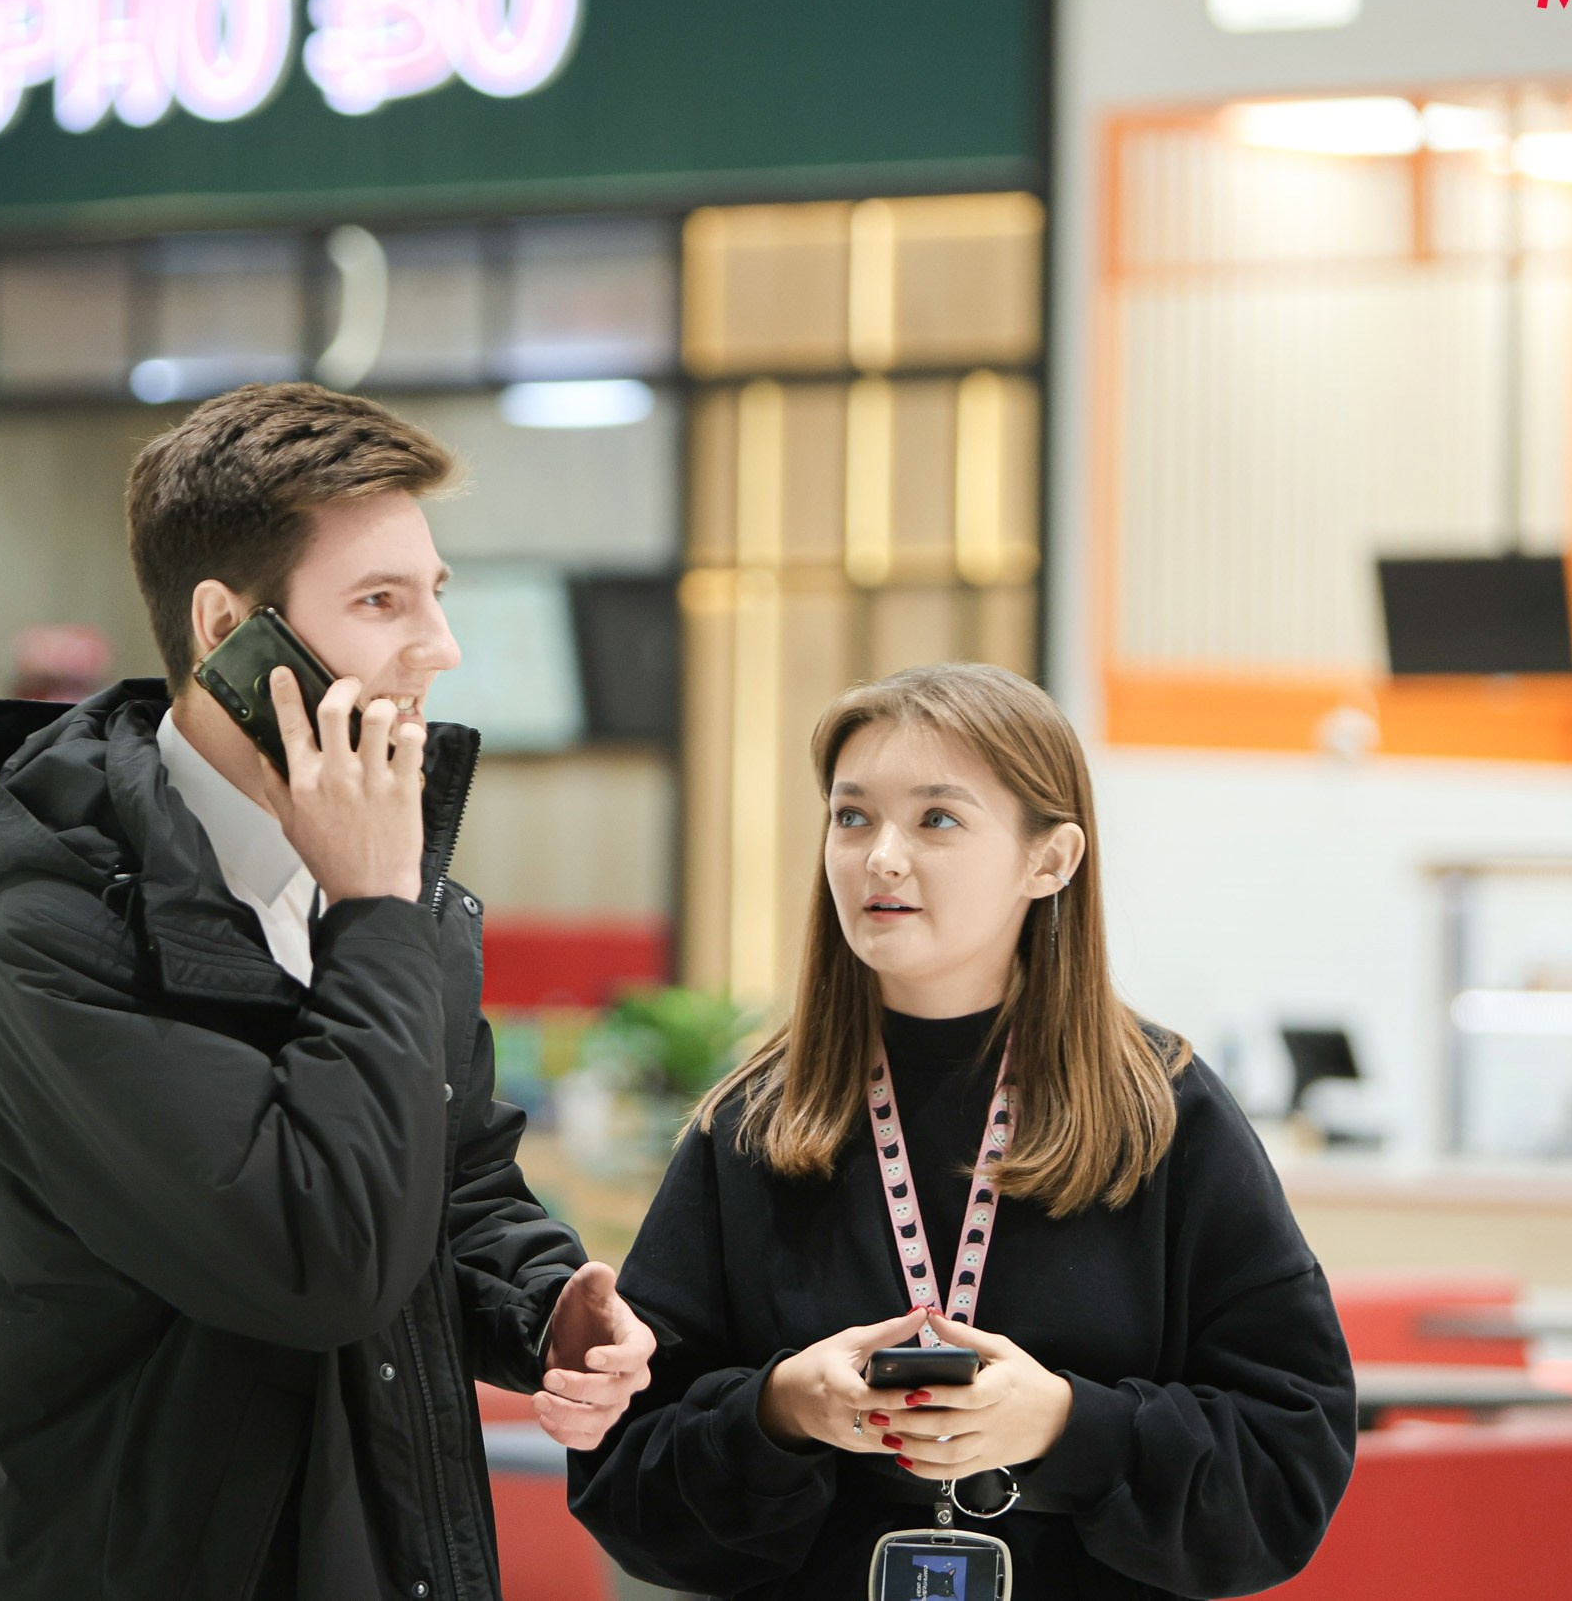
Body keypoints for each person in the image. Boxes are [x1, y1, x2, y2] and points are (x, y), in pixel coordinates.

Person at [0, 382, 657, 1601]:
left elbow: (453, 1179)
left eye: (435, 594)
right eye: (380, 602)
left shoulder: (381, 884)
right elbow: (322, 1260)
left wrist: (540, 1305)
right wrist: (375, 911)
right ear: (226, 628)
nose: (439, 645)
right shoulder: (52, 932)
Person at [567, 663, 1355, 1600]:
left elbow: (1290, 1464)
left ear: (1051, 859)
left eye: (937, 819)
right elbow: (624, 1483)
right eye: (852, 816)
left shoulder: (1166, 1113)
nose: (881, 856)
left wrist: (1064, 1426)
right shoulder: (753, 1124)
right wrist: (782, 1410)